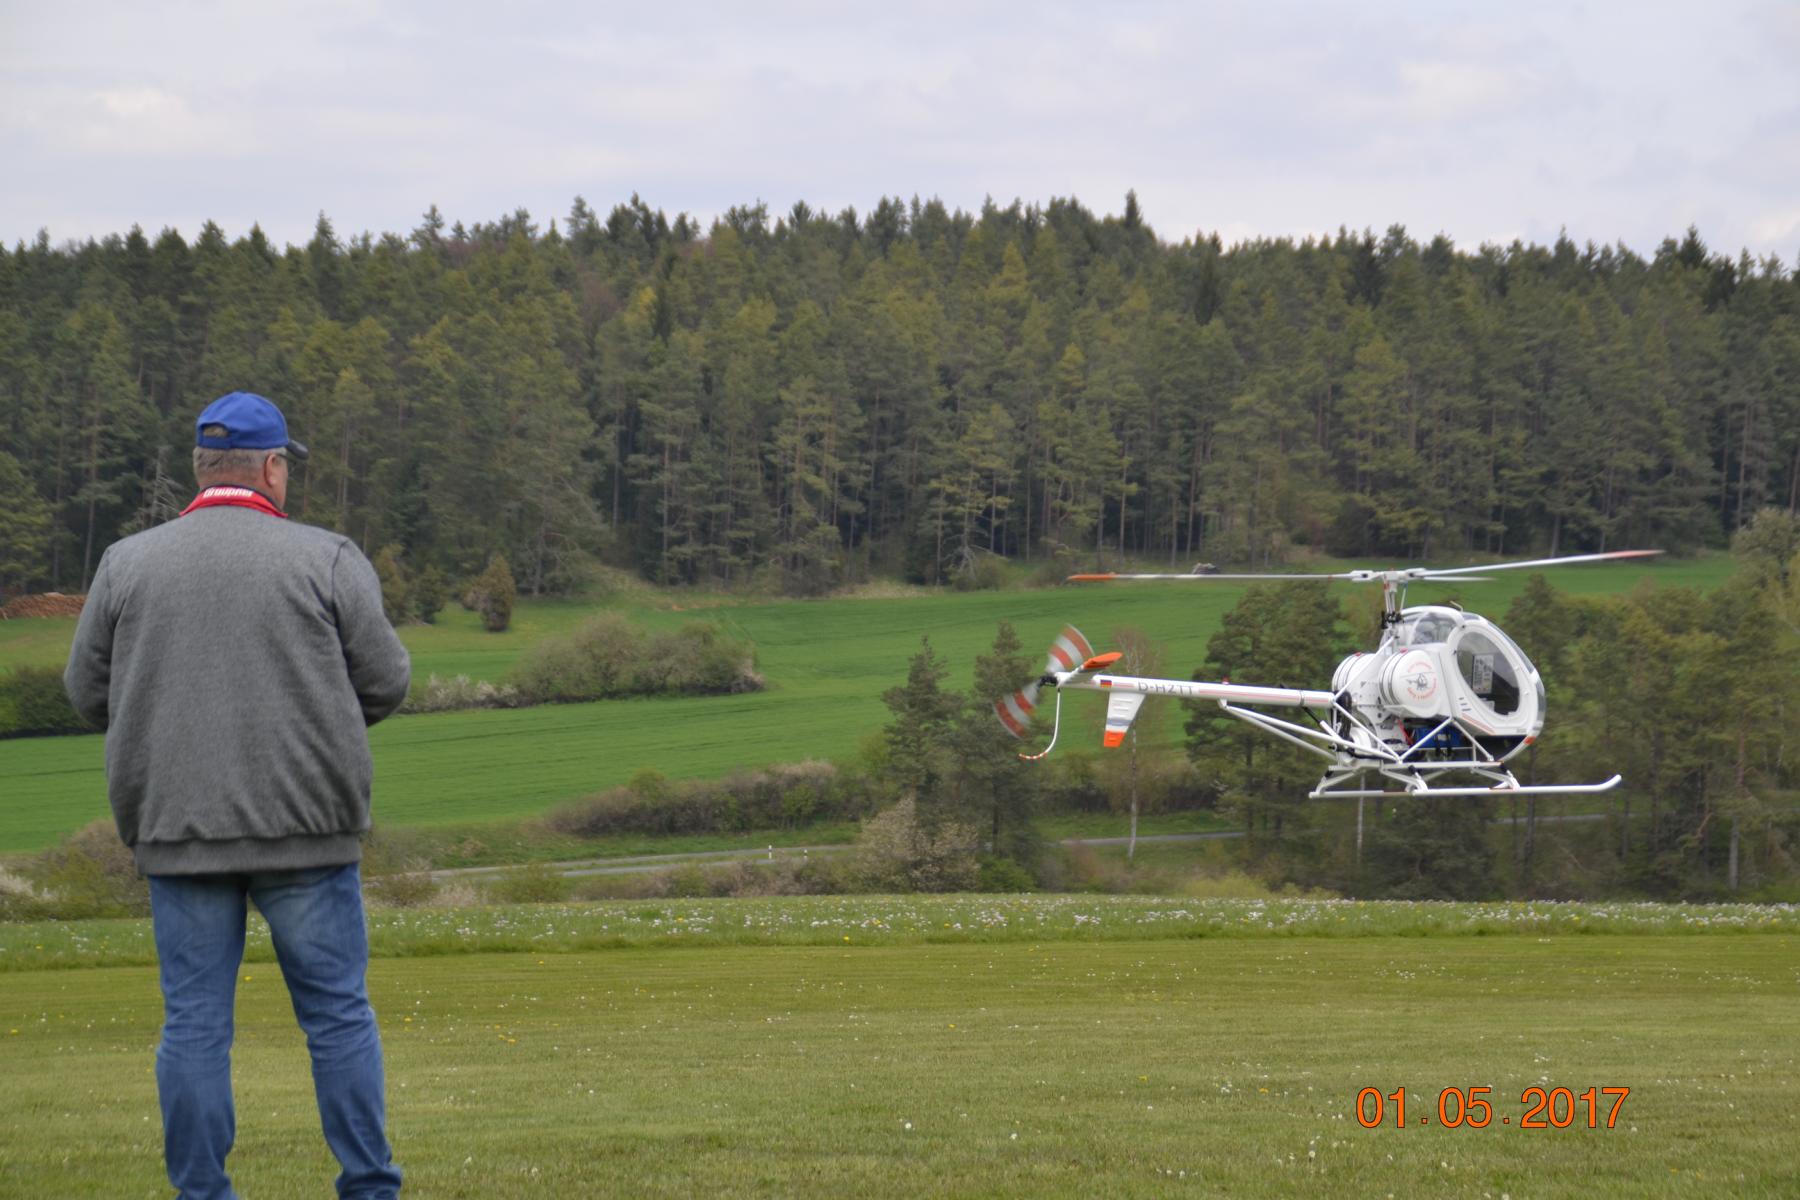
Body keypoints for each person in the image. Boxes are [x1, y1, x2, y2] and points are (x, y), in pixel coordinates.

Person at [64, 391, 411, 1200]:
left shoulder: (125, 564)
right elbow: (387, 680)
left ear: (202, 469)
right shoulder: (327, 558)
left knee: (193, 1027)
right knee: (337, 1018)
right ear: (273, 468)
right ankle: (369, 1188)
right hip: (308, 830)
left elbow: (85, 693)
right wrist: (317, 721)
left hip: (177, 829)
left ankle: (202, 1192)